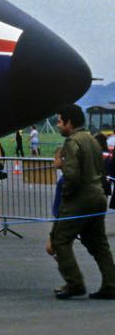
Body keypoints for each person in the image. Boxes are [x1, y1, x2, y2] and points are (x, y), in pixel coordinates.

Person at [46, 104, 115, 300]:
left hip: (80, 199)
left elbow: (72, 176)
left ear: (69, 122)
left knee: (59, 239)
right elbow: (102, 170)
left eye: (60, 122)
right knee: (98, 243)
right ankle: (111, 284)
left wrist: (66, 199)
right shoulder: (93, 141)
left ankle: (74, 282)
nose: (58, 126)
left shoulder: (72, 143)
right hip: (98, 197)